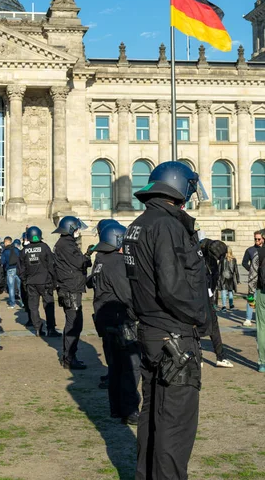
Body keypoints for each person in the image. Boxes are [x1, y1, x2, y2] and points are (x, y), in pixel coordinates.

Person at [123, 160, 210, 480]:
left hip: (151, 332)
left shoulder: (140, 223)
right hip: (175, 335)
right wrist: (199, 319)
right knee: (175, 425)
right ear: (178, 188)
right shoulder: (168, 225)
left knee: (153, 416)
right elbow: (173, 287)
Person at [90, 222, 141, 425]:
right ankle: (129, 410)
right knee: (130, 367)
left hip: (105, 321)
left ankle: (116, 408)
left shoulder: (101, 260)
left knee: (115, 367)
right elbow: (127, 294)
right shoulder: (116, 262)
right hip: (121, 321)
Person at [52, 215, 91, 370]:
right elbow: (79, 262)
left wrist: (85, 257)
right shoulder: (66, 244)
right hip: (70, 288)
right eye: (76, 228)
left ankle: (70, 356)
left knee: (75, 323)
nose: (78, 231)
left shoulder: (65, 243)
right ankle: (69, 357)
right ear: (71, 228)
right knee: (73, 324)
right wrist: (87, 256)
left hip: (70, 286)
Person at [18, 226, 61, 338]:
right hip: (45, 282)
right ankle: (51, 329)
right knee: (49, 306)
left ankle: (37, 328)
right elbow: (51, 265)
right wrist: (54, 280)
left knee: (33, 307)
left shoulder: (24, 251)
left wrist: (25, 281)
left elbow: (20, 269)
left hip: (31, 283)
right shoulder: (45, 247)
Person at [200, 236, 234, 368]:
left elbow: (214, 277)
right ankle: (203, 356)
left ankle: (219, 356)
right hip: (200, 295)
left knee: (212, 325)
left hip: (205, 294)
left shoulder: (209, 255)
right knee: (198, 326)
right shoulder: (200, 253)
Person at [242, 231, 263, 327]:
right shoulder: (250, 250)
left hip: (264, 278)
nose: (257, 240)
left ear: (262, 238)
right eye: (255, 239)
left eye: (259, 239)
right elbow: (244, 262)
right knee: (251, 298)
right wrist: (251, 270)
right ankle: (248, 318)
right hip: (253, 278)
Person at [1, 236, 22, 308]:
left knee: (11, 287)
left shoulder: (5, 251)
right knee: (20, 287)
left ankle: (12, 304)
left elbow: (2, 262)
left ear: (6, 242)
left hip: (10, 270)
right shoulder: (16, 249)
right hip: (18, 270)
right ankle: (22, 303)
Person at [218, 247, 240, 312]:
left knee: (223, 291)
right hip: (231, 277)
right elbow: (236, 270)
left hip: (223, 277)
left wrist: (217, 278)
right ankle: (231, 305)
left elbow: (219, 269)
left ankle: (224, 306)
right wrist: (238, 279)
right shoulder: (233, 259)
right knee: (230, 292)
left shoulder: (222, 259)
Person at [255, 241, 265, 372]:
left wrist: (251, 293)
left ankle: (262, 362)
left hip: (262, 291)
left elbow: (253, 274)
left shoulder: (259, 252)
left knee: (261, 327)